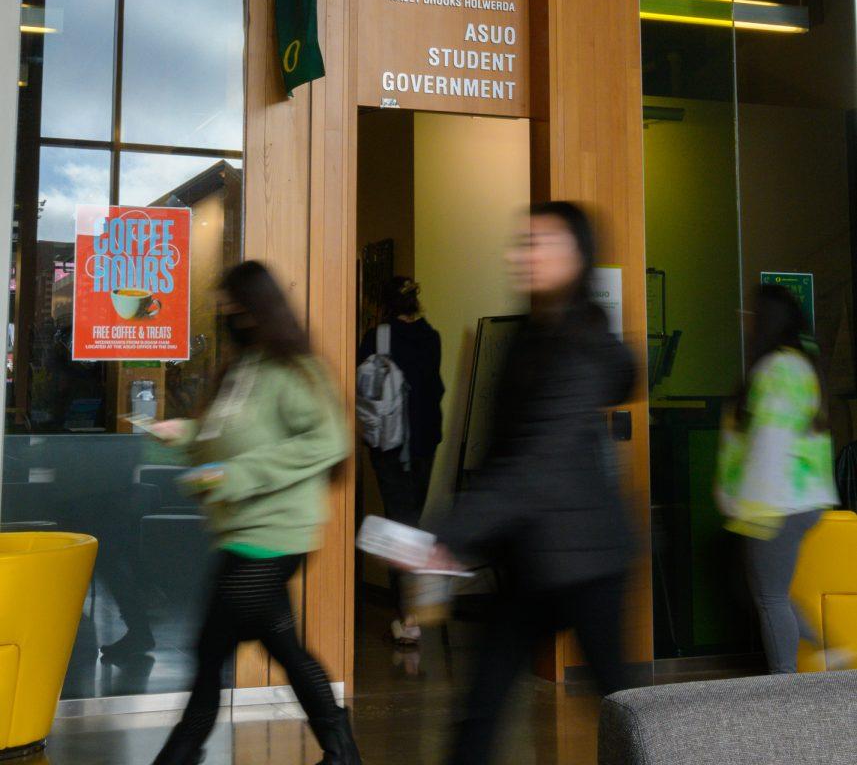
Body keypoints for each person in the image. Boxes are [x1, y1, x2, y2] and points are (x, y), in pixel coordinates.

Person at [423, 202, 636, 765]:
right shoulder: (529, 338)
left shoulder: (580, 348)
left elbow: (536, 462)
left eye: (542, 243)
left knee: (622, 704)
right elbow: (502, 454)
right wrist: (461, 534)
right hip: (531, 555)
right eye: (523, 242)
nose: (523, 254)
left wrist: (453, 531)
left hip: (585, 559)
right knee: (481, 702)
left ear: (577, 258)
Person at [149, 260, 360, 765]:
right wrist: (187, 436)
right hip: (240, 533)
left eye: (231, 307)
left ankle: (181, 753)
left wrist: (239, 475)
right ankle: (341, 750)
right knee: (284, 648)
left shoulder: (296, 370)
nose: (224, 316)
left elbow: (330, 440)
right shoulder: (242, 369)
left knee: (208, 649)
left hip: (273, 536)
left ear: (254, 309)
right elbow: (227, 440)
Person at [716, 283, 839, 674]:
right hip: (800, 500)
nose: (745, 321)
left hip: (777, 502)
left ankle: (784, 685)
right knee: (764, 590)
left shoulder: (778, 369)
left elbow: (770, 440)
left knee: (769, 596)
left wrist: (751, 507)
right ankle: (826, 649)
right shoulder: (798, 365)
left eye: (751, 314)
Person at [359, 276, 443, 645]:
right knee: (413, 524)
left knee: (399, 525)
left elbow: (363, 393)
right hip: (424, 441)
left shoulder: (375, 338)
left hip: (387, 444)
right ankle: (414, 614)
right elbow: (434, 389)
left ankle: (407, 617)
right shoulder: (431, 338)